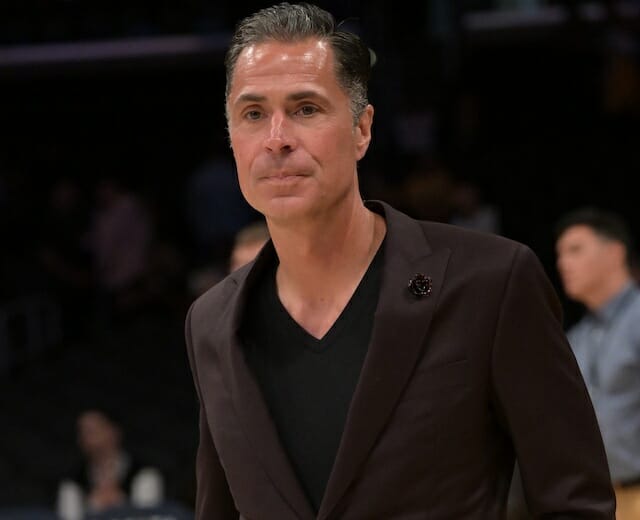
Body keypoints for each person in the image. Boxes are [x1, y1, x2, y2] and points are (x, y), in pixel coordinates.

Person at [184, 3, 615, 518]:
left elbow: (574, 502)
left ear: (362, 129)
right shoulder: (211, 322)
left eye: (306, 109)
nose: (277, 139)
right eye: (253, 114)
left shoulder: (491, 282)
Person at [554, 206, 640, 520]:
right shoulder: (578, 336)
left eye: (575, 250)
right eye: (560, 254)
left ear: (615, 253)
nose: (563, 263)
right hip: (599, 499)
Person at [56, 408, 164, 519]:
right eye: (82, 432)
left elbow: (148, 514)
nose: (87, 438)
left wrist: (120, 504)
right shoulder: (73, 482)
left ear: (114, 432)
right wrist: (92, 506)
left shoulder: (144, 473)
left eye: (93, 431)